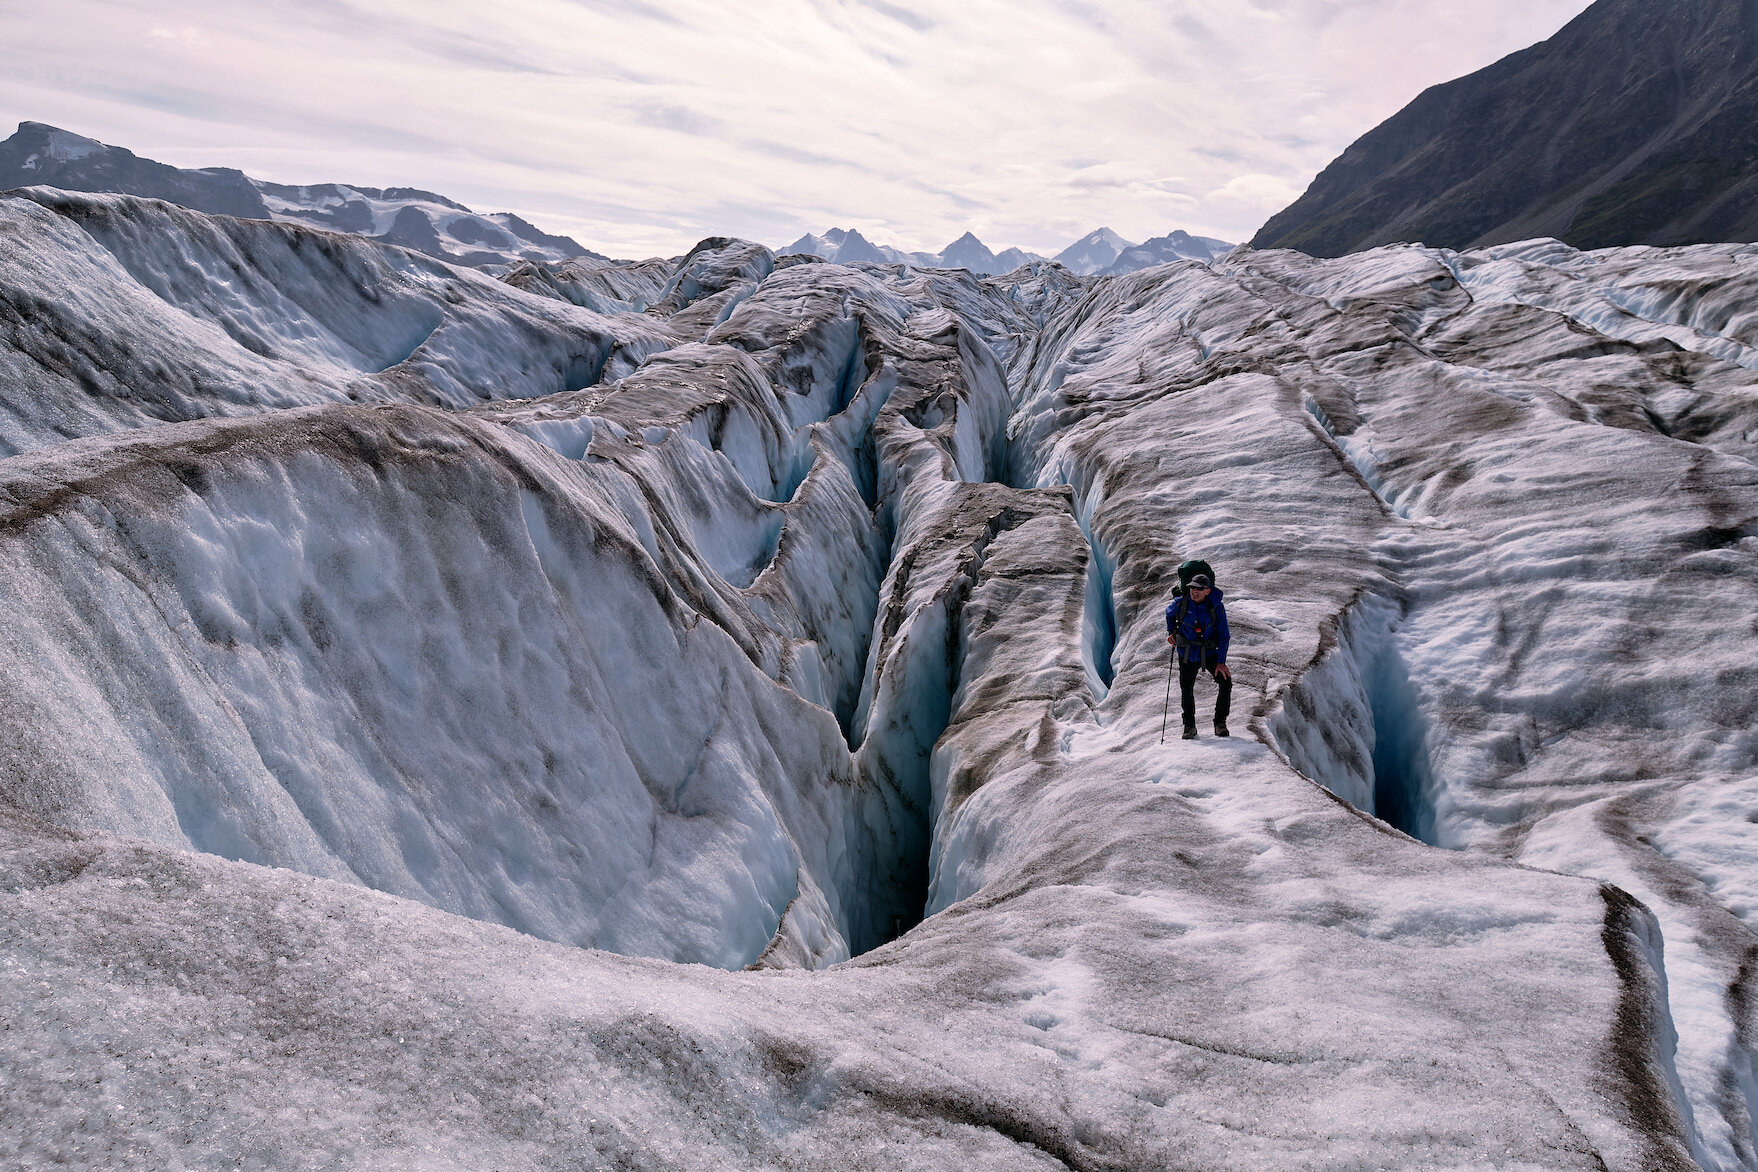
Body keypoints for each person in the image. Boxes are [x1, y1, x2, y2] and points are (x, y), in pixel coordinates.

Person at [1166, 573, 1231, 739]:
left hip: (1209, 653)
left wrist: (1221, 662)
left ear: (1208, 591)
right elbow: (1169, 614)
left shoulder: (1216, 607)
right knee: (1186, 689)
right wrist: (1171, 631)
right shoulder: (1181, 602)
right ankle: (1189, 727)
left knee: (1226, 683)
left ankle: (1220, 723)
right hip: (1186, 653)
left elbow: (1224, 635)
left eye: (1199, 589)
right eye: (1192, 588)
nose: (1194, 591)